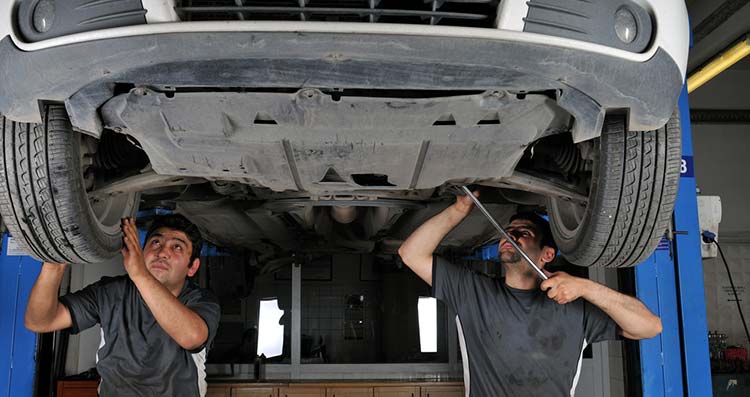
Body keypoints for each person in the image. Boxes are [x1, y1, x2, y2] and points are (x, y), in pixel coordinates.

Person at [398, 192, 662, 396]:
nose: (510, 236)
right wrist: (459, 210)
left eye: (523, 233)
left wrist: (586, 287)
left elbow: (650, 327)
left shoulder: (574, 306)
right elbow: (411, 254)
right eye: (507, 232)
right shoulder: (472, 292)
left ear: (547, 254)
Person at [24, 214, 220, 396]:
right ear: (143, 252)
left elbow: (192, 337)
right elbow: (39, 322)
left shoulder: (200, 301)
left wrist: (140, 274)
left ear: (192, 267)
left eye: (177, 247)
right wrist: (54, 265)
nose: (162, 252)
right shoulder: (110, 292)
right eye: (156, 242)